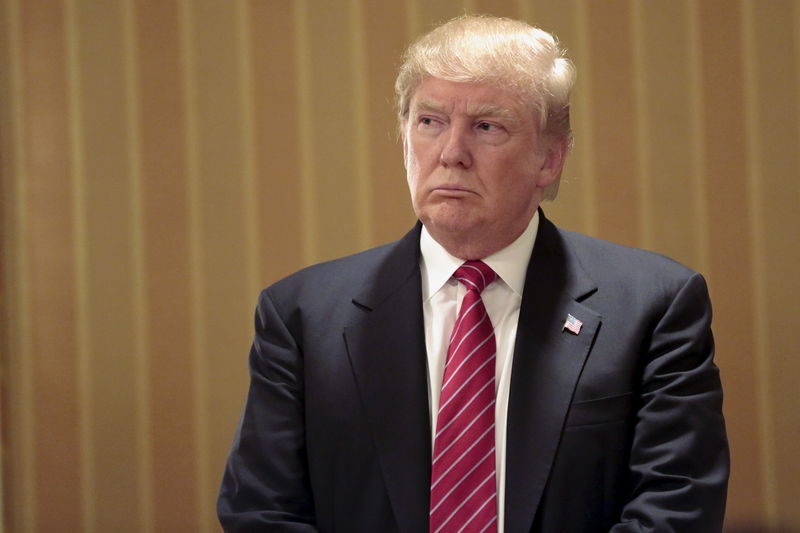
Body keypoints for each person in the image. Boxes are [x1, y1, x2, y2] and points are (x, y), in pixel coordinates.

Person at [218, 15, 729, 533]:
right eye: (429, 121)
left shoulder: (655, 306)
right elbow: (261, 512)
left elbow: (675, 508)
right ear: (404, 139)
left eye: (487, 126)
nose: (451, 154)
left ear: (550, 159)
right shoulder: (301, 316)